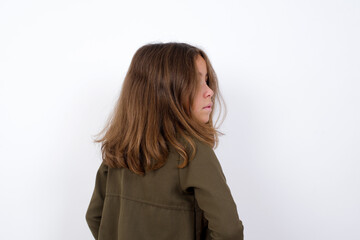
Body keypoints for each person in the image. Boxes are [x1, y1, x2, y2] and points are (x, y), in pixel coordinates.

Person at [85, 42, 244, 240]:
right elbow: (229, 231)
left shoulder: (119, 150)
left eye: (207, 80)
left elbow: (95, 216)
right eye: (196, 82)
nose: (209, 91)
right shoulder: (191, 152)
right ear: (164, 91)